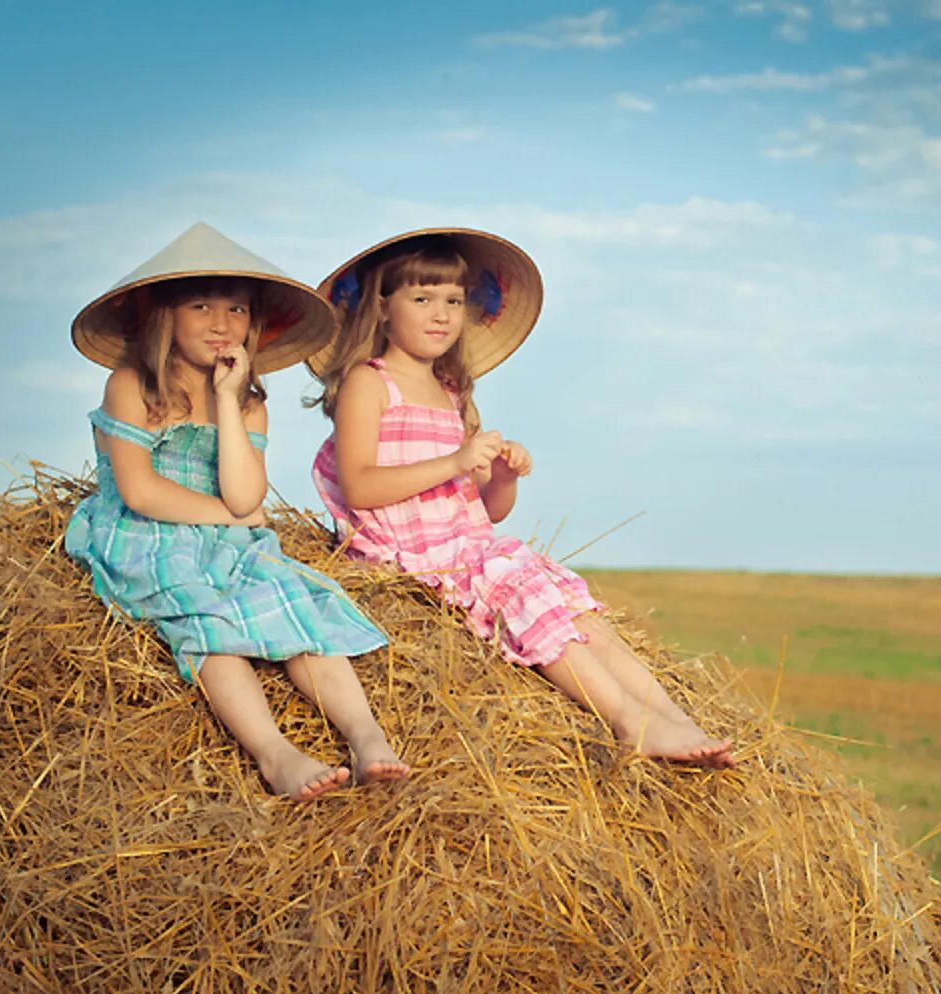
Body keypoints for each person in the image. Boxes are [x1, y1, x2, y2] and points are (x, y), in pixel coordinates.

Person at [308, 228, 734, 768]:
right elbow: (361, 485)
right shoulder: (368, 384)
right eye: (422, 298)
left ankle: (670, 715)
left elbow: (484, 511)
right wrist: (454, 461)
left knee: (576, 610)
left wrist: (502, 477)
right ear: (382, 308)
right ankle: (628, 722)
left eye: (454, 301)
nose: (441, 314)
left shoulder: (452, 394)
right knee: (525, 596)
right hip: (407, 555)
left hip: (465, 547)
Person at [65, 222, 408, 800]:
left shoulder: (247, 404)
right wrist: (230, 519)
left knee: (295, 605)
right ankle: (276, 755)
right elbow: (142, 492)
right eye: (201, 306)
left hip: (225, 535)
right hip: (148, 536)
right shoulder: (130, 383)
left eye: (238, 309)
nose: (222, 324)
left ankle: (366, 735)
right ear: (164, 315)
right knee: (207, 622)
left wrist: (228, 401)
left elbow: (247, 498)